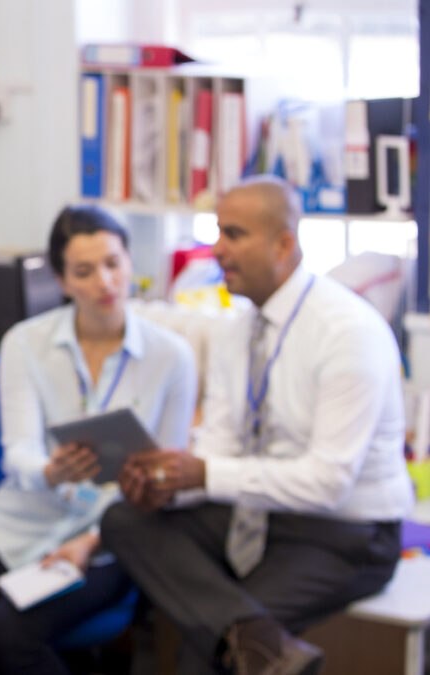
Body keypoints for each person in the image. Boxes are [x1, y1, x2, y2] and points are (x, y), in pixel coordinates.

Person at [102, 175, 414, 675]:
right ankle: (267, 650)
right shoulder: (238, 329)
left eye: (235, 235)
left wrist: (203, 475)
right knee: (125, 519)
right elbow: (221, 447)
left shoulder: (347, 332)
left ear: (285, 244)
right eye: (218, 232)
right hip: (261, 513)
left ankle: (244, 643)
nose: (217, 250)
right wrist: (169, 486)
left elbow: (328, 483)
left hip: (346, 533)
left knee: (202, 656)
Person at [0, 205, 197, 673]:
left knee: (7, 633)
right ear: (62, 281)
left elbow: (165, 479)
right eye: (85, 271)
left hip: (110, 535)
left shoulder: (171, 357)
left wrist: (94, 542)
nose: (104, 282)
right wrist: (49, 471)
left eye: (113, 264)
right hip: (19, 520)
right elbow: (17, 453)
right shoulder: (25, 342)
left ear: (129, 264)